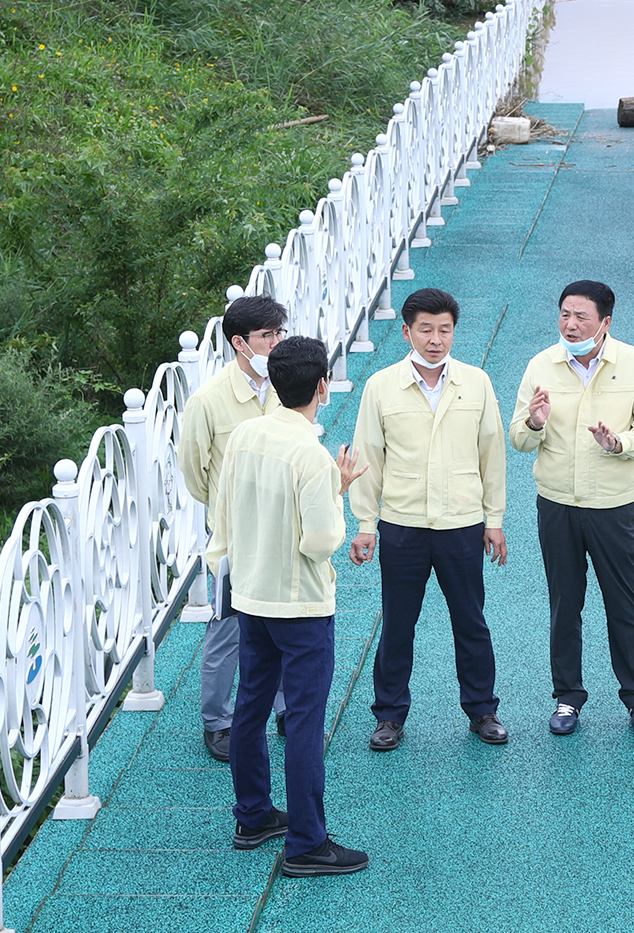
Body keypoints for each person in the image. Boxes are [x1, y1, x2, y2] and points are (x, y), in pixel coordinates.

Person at [208, 336, 370, 875]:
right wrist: (338, 489)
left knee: (250, 709)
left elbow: (224, 510)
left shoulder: (246, 434)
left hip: (249, 595)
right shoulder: (313, 455)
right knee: (304, 721)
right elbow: (320, 541)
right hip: (300, 606)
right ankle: (306, 843)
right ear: (322, 386)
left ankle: (253, 815)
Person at [348, 287, 511, 750]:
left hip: (462, 523)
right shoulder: (381, 386)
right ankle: (389, 717)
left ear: (454, 332)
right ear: (406, 332)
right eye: (425, 329)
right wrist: (366, 524)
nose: (435, 339)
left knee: (471, 621)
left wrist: (493, 518)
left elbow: (491, 454)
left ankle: (483, 711)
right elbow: (369, 459)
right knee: (398, 624)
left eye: (444, 329)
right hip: (402, 525)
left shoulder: (476, 382)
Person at [511, 279, 634, 737]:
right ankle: (567, 698)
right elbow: (519, 438)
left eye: (581, 316)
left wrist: (618, 442)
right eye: (564, 314)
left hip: (613, 504)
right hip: (557, 502)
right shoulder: (541, 365)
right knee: (565, 602)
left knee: (623, 600)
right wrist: (535, 422)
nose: (571, 323)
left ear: (605, 323)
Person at [178, 294, 286, 763]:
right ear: (240, 343)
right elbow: (194, 471)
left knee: (288, 619)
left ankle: (285, 709)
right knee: (229, 628)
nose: (277, 343)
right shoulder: (209, 401)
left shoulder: (285, 384)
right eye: (268, 336)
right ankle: (218, 722)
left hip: (285, 525)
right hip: (235, 538)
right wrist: (228, 509)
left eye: (280, 333)